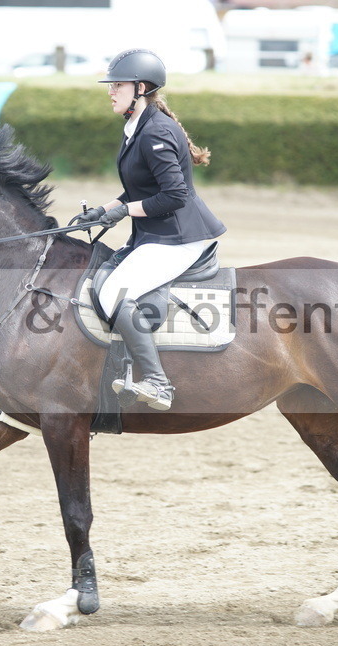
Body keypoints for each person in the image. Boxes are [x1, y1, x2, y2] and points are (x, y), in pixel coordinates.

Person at [71, 49, 226, 412]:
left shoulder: (155, 131)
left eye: (118, 85)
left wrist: (124, 211)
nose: (110, 91)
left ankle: (158, 383)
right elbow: (141, 189)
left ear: (140, 88)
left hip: (179, 237)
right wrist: (104, 210)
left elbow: (174, 195)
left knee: (113, 294)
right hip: (156, 235)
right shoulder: (138, 127)